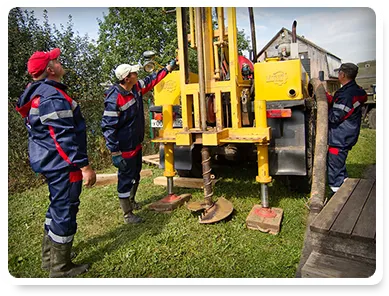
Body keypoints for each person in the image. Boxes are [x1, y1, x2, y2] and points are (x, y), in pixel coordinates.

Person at [16, 48, 96, 278]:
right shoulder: (52, 97)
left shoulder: (38, 92)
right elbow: (61, 137)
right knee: (65, 211)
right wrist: (83, 166)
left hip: (50, 162)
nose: (61, 62)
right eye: (56, 60)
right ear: (50, 69)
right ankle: (60, 268)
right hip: (63, 165)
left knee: (56, 208)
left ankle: (49, 259)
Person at [101, 58, 177, 224]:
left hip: (135, 143)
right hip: (124, 148)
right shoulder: (114, 100)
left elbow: (152, 80)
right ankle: (127, 214)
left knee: (135, 175)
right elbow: (108, 128)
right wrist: (114, 152)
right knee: (125, 178)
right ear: (127, 78)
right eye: (134, 73)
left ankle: (132, 201)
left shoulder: (135, 88)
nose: (137, 74)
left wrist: (168, 68)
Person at [325, 63, 367, 196]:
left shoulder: (347, 95)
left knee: (335, 167)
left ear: (342, 74)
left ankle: (337, 196)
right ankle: (345, 184)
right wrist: (330, 99)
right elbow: (343, 107)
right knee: (339, 164)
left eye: (339, 73)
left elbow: (335, 116)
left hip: (340, 136)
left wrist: (322, 112)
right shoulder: (353, 90)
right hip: (347, 133)